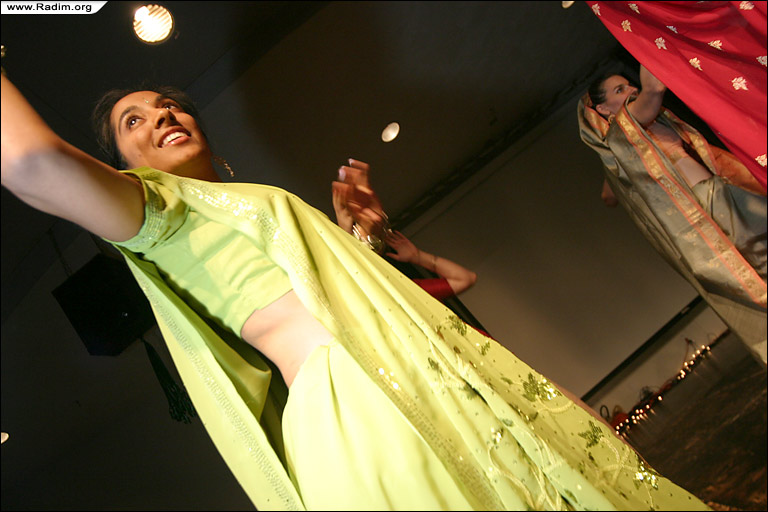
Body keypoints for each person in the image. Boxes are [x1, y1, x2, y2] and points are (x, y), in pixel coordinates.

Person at [2, 73, 711, 510]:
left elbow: (320, 293)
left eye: (166, 105)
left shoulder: (240, 204)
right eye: (134, 121)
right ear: (120, 170)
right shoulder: (154, 217)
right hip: (359, 403)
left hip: (418, 372)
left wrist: (356, 235)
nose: (161, 115)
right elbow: (31, 163)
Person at [578, 65, 767, 366]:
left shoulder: (623, 145)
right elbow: (654, 88)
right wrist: (643, 42)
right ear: (602, 109)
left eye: (628, 85)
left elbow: (608, 195)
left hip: (718, 196)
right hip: (710, 204)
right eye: (619, 90)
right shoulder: (625, 128)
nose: (632, 90)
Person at [332, 173, 477, 300]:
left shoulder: (411, 293)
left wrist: (419, 257)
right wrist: (345, 232)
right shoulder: (354, 292)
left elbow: (466, 278)